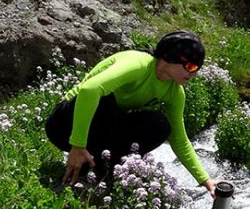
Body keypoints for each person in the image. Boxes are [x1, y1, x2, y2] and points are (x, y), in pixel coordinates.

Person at [45, 30, 217, 196]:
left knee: (161, 125)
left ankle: (107, 172)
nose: (194, 74)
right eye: (191, 66)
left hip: (105, 127)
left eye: (197, 68)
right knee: (105, 100)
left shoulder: (175, 92)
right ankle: (79, 174)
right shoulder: (139, 64)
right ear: (170, 57)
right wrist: (77, 145)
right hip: (64, 124)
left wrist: (205, 180)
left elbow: (179, 139)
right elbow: (89, 90)